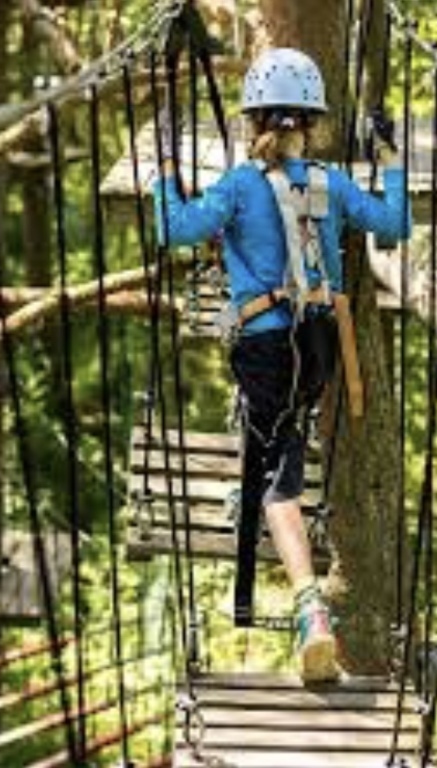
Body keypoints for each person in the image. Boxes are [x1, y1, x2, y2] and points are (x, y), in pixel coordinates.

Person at [154, 47, 411, 683]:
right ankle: (264, 476)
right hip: (318, 343)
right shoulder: (332, 183)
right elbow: (394, 224)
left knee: (278, 484)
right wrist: (392, 160)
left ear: (253, 121)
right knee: (278, 430)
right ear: (312, 124)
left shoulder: (241, 185)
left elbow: (175, 228)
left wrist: (164, 169)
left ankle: (309, 609)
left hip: (266, 347)